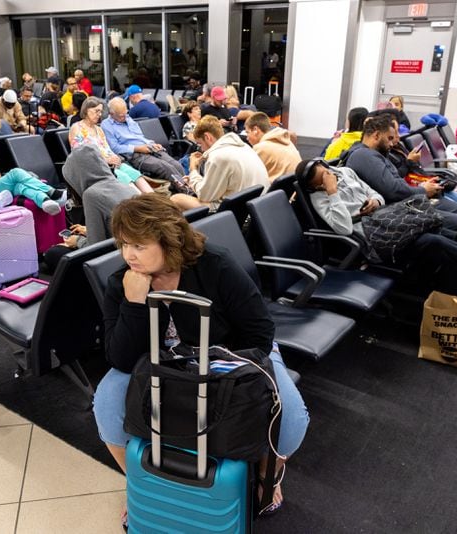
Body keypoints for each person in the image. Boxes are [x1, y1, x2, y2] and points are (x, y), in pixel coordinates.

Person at [93, 194, 309, 526]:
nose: (128, 255)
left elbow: (260, 335)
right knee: (106, 402)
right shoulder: (122, 282)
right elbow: (120, 358)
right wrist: (134, 304)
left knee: (292, 419)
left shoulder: (215, 265)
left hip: (233, 355)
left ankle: (268, 476)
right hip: (164, 364)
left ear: (168, 239)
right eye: (123, 245)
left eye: (138, 245)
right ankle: (140, 483)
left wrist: (218, 372)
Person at [298, 158, 457, 305]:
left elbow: (376, 194)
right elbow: (343, 228)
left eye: (328, 172)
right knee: (434, 241)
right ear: (315, 187)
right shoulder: (322, 198)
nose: (331, 177)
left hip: (393, 220)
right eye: (323, 179)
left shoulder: (346, 171)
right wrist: (332, 193)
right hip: (380, 242)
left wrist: (375, 202)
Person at [345, 113, 457, 249]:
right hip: (399, 210)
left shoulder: (373, 154)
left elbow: (395, 184)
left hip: (408, 202)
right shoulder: (364, 156)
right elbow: (394, 191)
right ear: (376, 135)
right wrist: (423, 190)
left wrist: (422, 187)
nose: (392, 143)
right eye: (389, 138)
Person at [69, 96, 154, 194]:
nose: (99, 114)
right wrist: (105, 160)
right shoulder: (76, 128)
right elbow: (79, 155)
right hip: (94, 167)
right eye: (96, 111)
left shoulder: (98, 129)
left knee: (134, 174)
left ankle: (153, 199)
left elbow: (107, 148)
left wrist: (115, 157)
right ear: (86, 110)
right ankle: (142, 203)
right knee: (124, 177)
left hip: (109, 164)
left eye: (100, 112)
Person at [185, 115, 270, 211]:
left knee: (178, 199)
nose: (201, 149)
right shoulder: (244, 146)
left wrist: (193, 170)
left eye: (200, 144)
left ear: (207, 137)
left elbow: (204, 195)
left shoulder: (218, 156)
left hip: (236, 211)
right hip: (257, 205)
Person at [62, 144, 139, 245]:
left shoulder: (91, 195)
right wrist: (89, 231)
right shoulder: (125, 186)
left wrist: (76, 241)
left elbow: (95, 245)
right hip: (133, 246)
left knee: (54, 253)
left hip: (118, 253)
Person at [101, 97, 185, 185]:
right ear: (111, 114)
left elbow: (140, 137)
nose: (125, 117)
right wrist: (138, 148)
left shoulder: (128, 119)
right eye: (121, 116)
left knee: (175, 164)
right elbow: (115, 148)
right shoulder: (106, 125)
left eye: (126, 113)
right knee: (166, 168)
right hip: (134, 155)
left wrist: (151, 143)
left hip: (148, 147)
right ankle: (185, 190)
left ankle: (189, 187)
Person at [244, 111, 302, 182]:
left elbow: (248, 175)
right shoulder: (286, 140)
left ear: (255, 130)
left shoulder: (261, 147)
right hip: (293, 188)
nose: (247, 138)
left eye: (247, 132)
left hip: (279, 190)